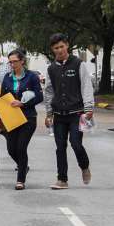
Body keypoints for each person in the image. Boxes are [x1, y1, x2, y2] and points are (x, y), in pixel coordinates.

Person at [43, 33, 94, 190]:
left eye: (61, 46)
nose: (59, 50)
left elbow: (86, 86)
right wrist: (49, 113)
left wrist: (89, 108)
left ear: (67, 46)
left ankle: (84, 166)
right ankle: (62, 179)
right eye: (56, 48)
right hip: (59, 114)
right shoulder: (51, 69)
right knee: (60, 147)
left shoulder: (78, 64)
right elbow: (48, 91)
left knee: (76, 144)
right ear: (52, 50)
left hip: (77, 113)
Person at [0, 49, 43, 190]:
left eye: (15, 61)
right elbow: (2, 99)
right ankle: (24, 166)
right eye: (10, 62)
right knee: (11, 149)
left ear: (22, 61)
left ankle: (20, 180)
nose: (12, 65)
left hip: (28, 118)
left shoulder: (32, 77)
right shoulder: (7, 77)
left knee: (21, 148)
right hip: (11, 118)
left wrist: (23, 103)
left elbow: (39, 97)